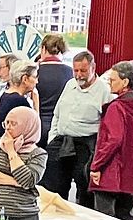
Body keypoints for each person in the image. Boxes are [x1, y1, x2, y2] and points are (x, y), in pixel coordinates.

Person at [89, 60, 133, 220]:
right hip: (131, 173)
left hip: (112, 171)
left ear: (125, 82)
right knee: (124, 217)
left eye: (113, 80)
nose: (109, 83)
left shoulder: (116, 107)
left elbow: (113, 140)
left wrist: (96, 166)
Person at [45, 50, 110, 202]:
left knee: (84, 189)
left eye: (83, 71)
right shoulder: (70, 84)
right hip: (61, 141)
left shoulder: (104, 91)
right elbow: (58, 113)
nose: (79, 75)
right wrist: (52, 138)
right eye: (76, 70)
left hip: (85, 146)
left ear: (93, 68)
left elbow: (106, 126)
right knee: (54, 186)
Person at [32, 35, 74, 146]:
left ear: (43, 49)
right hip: (61, 128)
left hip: (36, 126)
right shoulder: (71, 73)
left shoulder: (33, 73)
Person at [0, 60, 38, 131]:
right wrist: (36, 104)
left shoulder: (5, 96)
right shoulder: (19, 101)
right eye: (35, 77)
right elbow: (34, 129)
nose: (37, 81)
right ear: (25, 79)